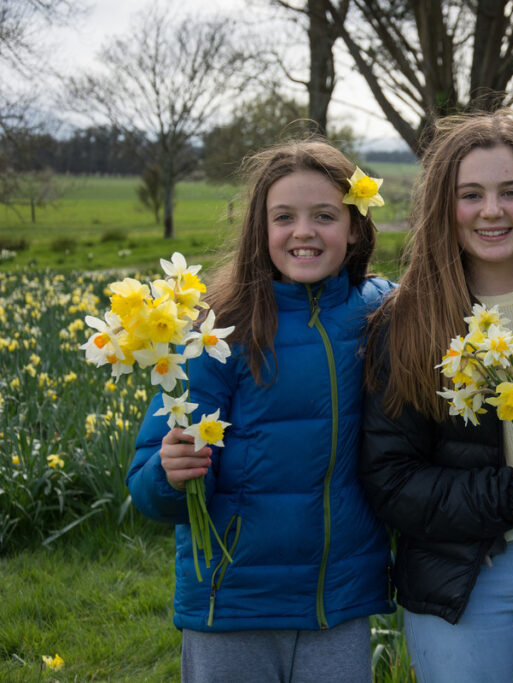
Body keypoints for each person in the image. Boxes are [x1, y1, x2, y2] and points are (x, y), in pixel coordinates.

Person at [126, 139, 394, 682]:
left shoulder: (381, 312)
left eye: (325, 215)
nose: (303, 232)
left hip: (337, 602)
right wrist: (169, 475)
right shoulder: (216, 330)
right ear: (260, 228)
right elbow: (148, 485)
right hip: (233, 602)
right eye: (284, 217)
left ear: (355, 226)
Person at [358, 110, 513, 682]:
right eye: (471, 194)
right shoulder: (409, 321)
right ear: (444, 206)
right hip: (463, 575)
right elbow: (390, 480)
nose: (491, 210)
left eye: (511, 192)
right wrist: (511, 495)